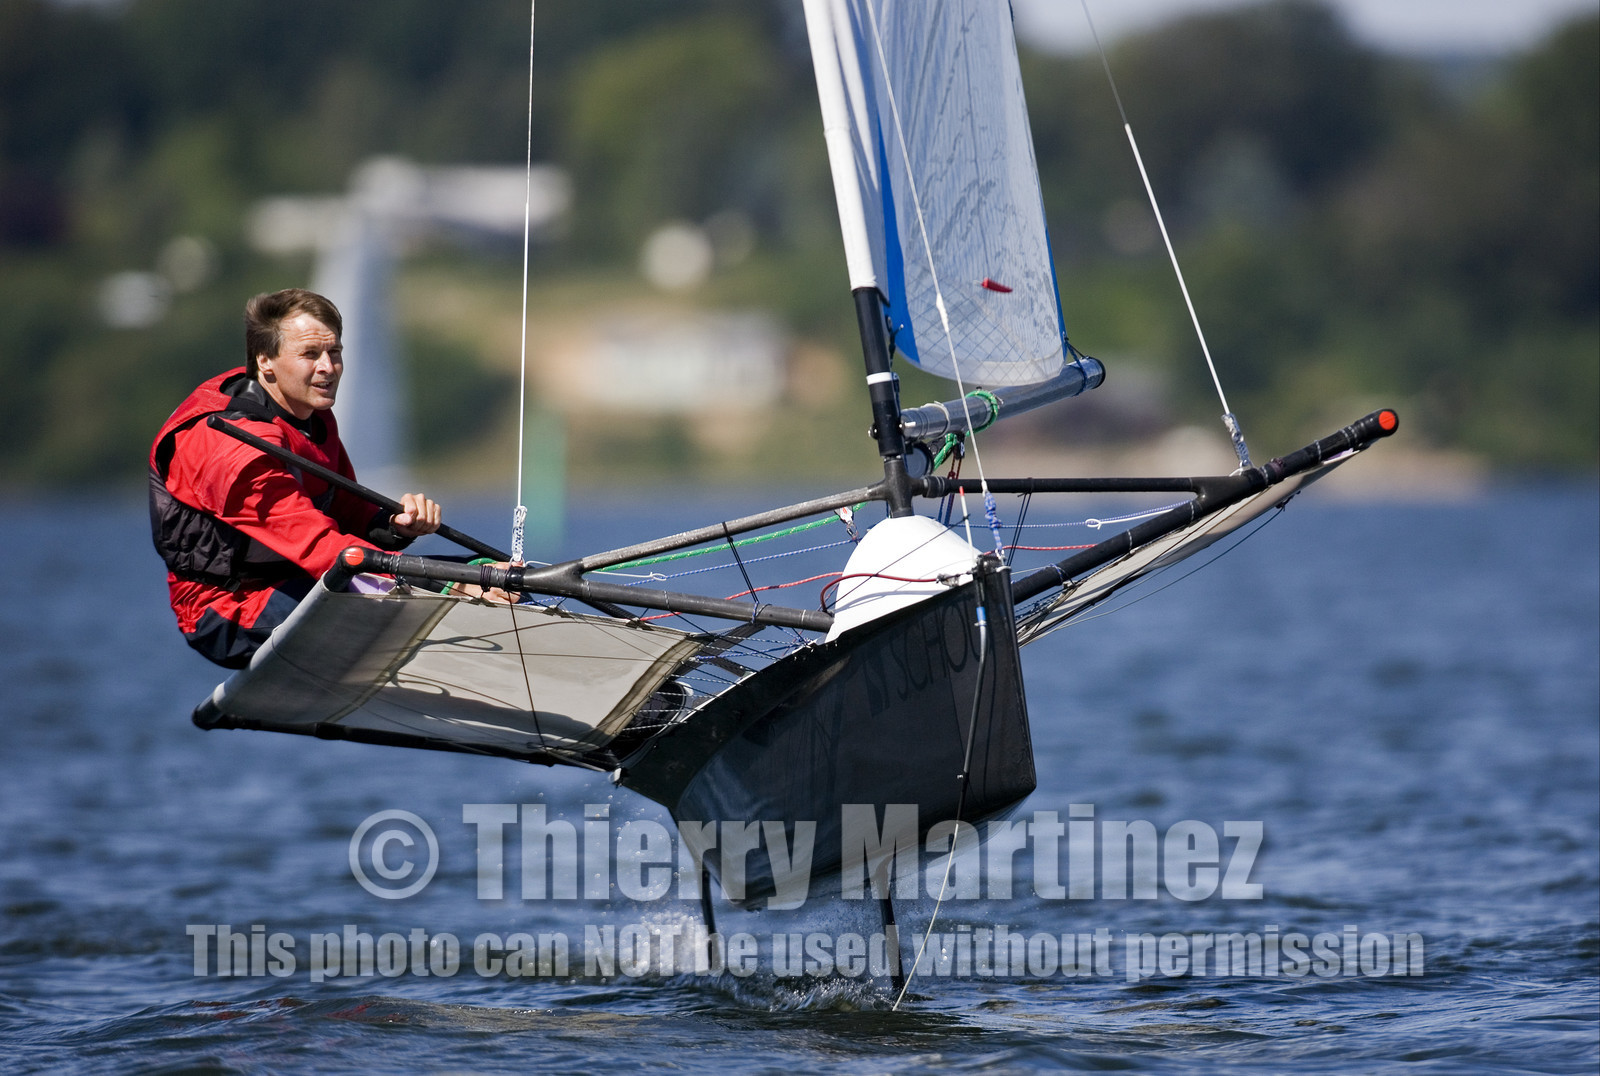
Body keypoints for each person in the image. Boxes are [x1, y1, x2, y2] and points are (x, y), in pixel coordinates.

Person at [149, 288, 442, 668]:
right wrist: (442, 586)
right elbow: (321, 548)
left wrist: (396, 524)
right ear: (265, 362)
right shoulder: (233, 450)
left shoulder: (310, 413)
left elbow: (347, 508)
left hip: (303, 581)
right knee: (426, 593)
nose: (328, 367)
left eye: (334, 353)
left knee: (481, 570)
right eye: (310, 355)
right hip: (226, 613)